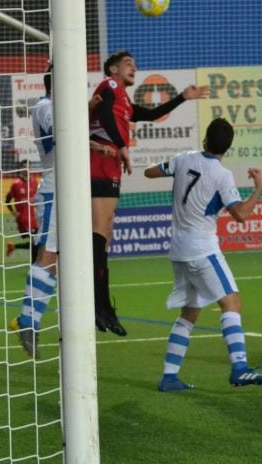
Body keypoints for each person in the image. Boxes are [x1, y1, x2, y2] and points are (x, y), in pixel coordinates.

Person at [144, 117, 262, 390]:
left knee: (189, 313)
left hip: (178, 251)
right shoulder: (221, 175)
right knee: (232, 303)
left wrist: (173, 170)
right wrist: (258, 188)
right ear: (227, 148)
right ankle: (239, 367)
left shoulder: (183, 159)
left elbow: (149, 172)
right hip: (202, 249)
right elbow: (241, 214)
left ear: (205, 139)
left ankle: (169, 377)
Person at [89, 50, 208, 336]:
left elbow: (150, 114)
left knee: (104, 237)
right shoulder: (110, 86)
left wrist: (183, 97)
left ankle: (102, 306)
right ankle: (97, 305)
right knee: (98, 234)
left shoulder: (125, 100)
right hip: (98, 164)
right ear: (113, 69)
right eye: (128, 64)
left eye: (134, 64)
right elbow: (103, 114)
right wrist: (122, 146)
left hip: (110, 167)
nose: (134, 67)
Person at [8, 63, 118, 358]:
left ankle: (45, 322)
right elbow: (66, 133)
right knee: (48, 256)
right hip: (56, 188)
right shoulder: (45, 106)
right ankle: (27, 321)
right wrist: (91, 118)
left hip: (68, 189)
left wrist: (97, 146)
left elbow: (71, 135)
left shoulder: (52, 107)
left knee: (60, 262)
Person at [4, 161, 41, 264]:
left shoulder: (34, 181)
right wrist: (13, 212)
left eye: (28, 167)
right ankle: (34, 265)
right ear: (20, 169)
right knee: (35, 240)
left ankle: (13, 246)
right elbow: (7, 200)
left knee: (36, 241)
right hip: (23, 218)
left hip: (33, 217)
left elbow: (37, 198)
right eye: (24, 167)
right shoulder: (16, 184)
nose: (26, 169)